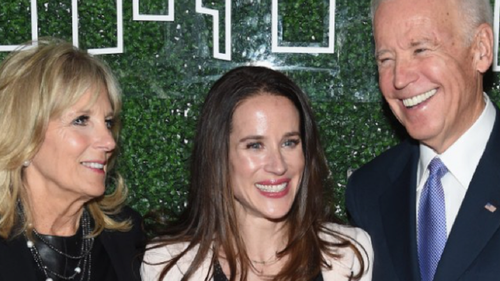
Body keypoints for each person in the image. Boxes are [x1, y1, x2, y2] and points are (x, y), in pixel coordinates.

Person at [141, 66, 373, 281]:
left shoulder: (350, 254)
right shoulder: (170, 264)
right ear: (218, 155)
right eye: (255, 145)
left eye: (289, 143)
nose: (278, 165)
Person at [345, 0, 498, 280]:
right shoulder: (368, 191)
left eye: (421, 49)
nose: (399, 78)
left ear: (481, 49)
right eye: (386, 59)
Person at [0, 38, 145, 281]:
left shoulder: (128, 235)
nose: (109, 141)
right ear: (24, 135)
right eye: (81, 120)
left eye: (108, 123)